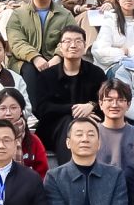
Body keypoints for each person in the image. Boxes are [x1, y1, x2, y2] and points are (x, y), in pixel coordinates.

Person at [29, 25, 104, 155]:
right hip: (54, 128)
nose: (73, 45)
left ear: (85, 46)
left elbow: (105, 100)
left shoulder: (96, 73)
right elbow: (41, 108)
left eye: (78, 41)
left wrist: (92, 105)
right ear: (60, 46)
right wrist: (73, 110)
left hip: (89, 124)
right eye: (68, 41)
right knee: (69, 123)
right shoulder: (47, 75)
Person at [2, 0, 76, 73]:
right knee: (31, 73)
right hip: (24, 61)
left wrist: (58, 57)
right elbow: (16, 42)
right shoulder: (18, 14)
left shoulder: (65, 15)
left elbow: (72, 38)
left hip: (56, 60)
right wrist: (35, 57)